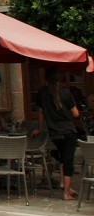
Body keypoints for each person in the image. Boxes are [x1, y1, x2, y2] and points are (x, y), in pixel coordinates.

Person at [35, 69, 81, 200]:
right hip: (68, 131)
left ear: (45, 79)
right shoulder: (65, 93)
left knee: (62, 156)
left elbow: (40, 113)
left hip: (55, 132)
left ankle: (63, 183)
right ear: (58, 79)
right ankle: (66, 193)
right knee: (68, 161)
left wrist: (39, 128)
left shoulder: (42, 93)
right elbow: (76, 113)